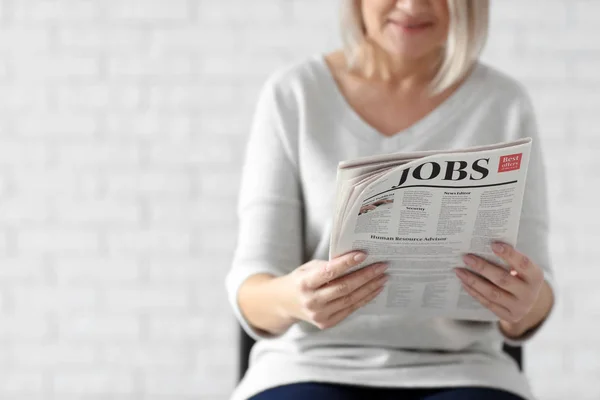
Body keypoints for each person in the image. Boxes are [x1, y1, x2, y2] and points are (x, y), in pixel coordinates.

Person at [225, 1, 556, 399]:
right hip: (310, 363)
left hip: (464, 369)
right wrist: (294, 299)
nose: (413, 5)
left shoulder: (504, 104)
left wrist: (525, 303)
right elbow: (252, 286)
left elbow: (536, 291)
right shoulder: (294, 95)